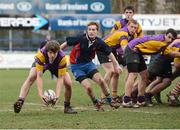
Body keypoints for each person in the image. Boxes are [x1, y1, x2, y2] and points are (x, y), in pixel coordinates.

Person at [60, 22, 121, 110]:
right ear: (87, 31)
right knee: (88, 87)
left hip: (89, 64)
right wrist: (57, 52)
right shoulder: (81, 38)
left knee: (101, 81)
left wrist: (116, 65)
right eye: (89, 30)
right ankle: (96, 103)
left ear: (97, 31)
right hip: (76, 66)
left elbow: (110, 53)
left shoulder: (99, 42)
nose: (91, 31)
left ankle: (110, 100)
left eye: (93, 30)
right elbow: (66, 43)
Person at [14, 40, 77, 114]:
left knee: (68, 83)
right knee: (31, 76)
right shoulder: (41, 55)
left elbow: (60, 78)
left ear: (58, 51)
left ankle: (67, 107)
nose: (52, 55)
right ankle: (20, 101)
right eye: (50, 53)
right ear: (47, 51)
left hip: (56, 66)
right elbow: (39, 76)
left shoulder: (62, 57)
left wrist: (57, 96)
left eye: (54, 53)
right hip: (44, 64)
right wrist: (40, 94)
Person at [123, 28, 180, 107]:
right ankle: (126, 100)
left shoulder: (164, 43)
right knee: (133, 74)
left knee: (144, 75)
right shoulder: (159, 42)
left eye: (172, 39)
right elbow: (171, 53)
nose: (170, 40)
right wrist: (134, 48)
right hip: (132, 49)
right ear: (165, 35)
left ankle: (141, 100)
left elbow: (170, 53)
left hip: (138, 52)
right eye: (169, 37)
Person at [96, 19, 138, 103]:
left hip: (112, 50)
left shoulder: (134, 35)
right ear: (127, 26)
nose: (133, 29)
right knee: (110, 71)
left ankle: (115, 96)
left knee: (122, 72)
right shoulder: (123, 34)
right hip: (102, 48)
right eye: (132, 27)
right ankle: (103, 97)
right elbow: (125, 49)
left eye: (135, 28)